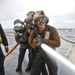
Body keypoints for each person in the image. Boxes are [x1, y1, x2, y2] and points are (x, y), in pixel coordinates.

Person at [29, 10, 61, 75]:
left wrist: (43, 40)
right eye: (38, 21)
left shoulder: (52, 29)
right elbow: (30, 42)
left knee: (53, 73)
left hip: (51, 57)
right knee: (34, 72)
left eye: (43, 20)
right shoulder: (34, 32)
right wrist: (35, 46)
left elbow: (57, 43)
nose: (41, 23)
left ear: (46, 20)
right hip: (40, 56)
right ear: (35, 23)